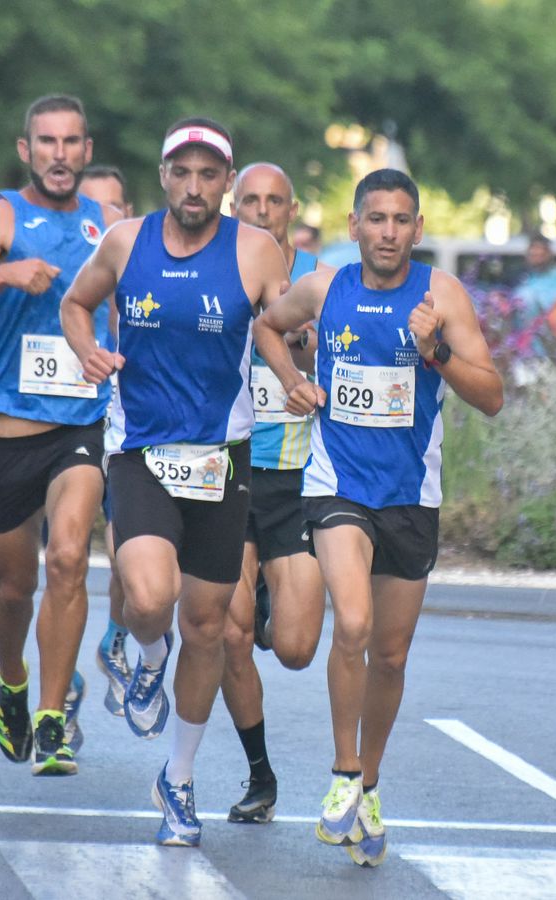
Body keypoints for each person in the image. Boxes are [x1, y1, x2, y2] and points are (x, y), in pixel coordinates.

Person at [253, 168, 503, 868]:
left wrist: (437, 353)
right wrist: (293, 381)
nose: (388, 232)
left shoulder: (440, 296)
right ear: (355, 226)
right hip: (337, 486)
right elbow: (268, 328)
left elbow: (492, 396)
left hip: (410, 497)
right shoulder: (327, 288)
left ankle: (370, 783)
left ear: (417, 230)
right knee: (353, 623)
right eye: (376, 219)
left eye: (401, 220)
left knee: (390, 654)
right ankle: (340, 774)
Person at [61, 117, 288, 848]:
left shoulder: (255, 250)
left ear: (227, 182)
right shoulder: (125, 242)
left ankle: (178, 779)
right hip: (141, 450)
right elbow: (74, 303)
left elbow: (283, 321)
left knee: (211, 630)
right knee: (152, 599)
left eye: (209, 175)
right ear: (164, 177)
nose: (195, 188)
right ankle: (146, 656)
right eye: (182, 173)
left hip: (224, 457)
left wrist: (305, 345)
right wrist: (90, 351)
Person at [0, 94, 119, 777]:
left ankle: (52, 718)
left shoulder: (110, 226)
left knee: (69, 558)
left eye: (72, 142)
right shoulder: (2, 217)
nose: (60, 155)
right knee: (13, 588)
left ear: (87, 150)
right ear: (26, 150)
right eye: (48, 142)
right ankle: (12, 679)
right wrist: (3, 272)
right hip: (6, 433)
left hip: (80, 428)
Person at [221, 161, 329, 826]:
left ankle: (268, 595)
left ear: (292, 212)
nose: (263, 211)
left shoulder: (319, 280)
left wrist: (312, 349)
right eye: (251, 201)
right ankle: (260, 776)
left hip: (299, 481)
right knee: (229, 637)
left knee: (293, 650)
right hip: (230, 473)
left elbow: (348, 358)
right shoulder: (216, 275)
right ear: (236, 208)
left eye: (275, 202)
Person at [77, 167, 133, 719]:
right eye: (88, 208)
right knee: (64, 559)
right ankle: (62, 678)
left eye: (111, 208)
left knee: (123, 552)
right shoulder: (63, 272)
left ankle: (116, 637)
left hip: (121, 423)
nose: (99, 220)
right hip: (65, 423)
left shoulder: (139, 268)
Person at [512, 234, 556, 326]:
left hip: (552, 336)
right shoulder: (522, 277)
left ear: (548, 254)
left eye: (540, 254)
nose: (536, 256)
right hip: (522, 336)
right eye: (533, 254)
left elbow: (551, 304)